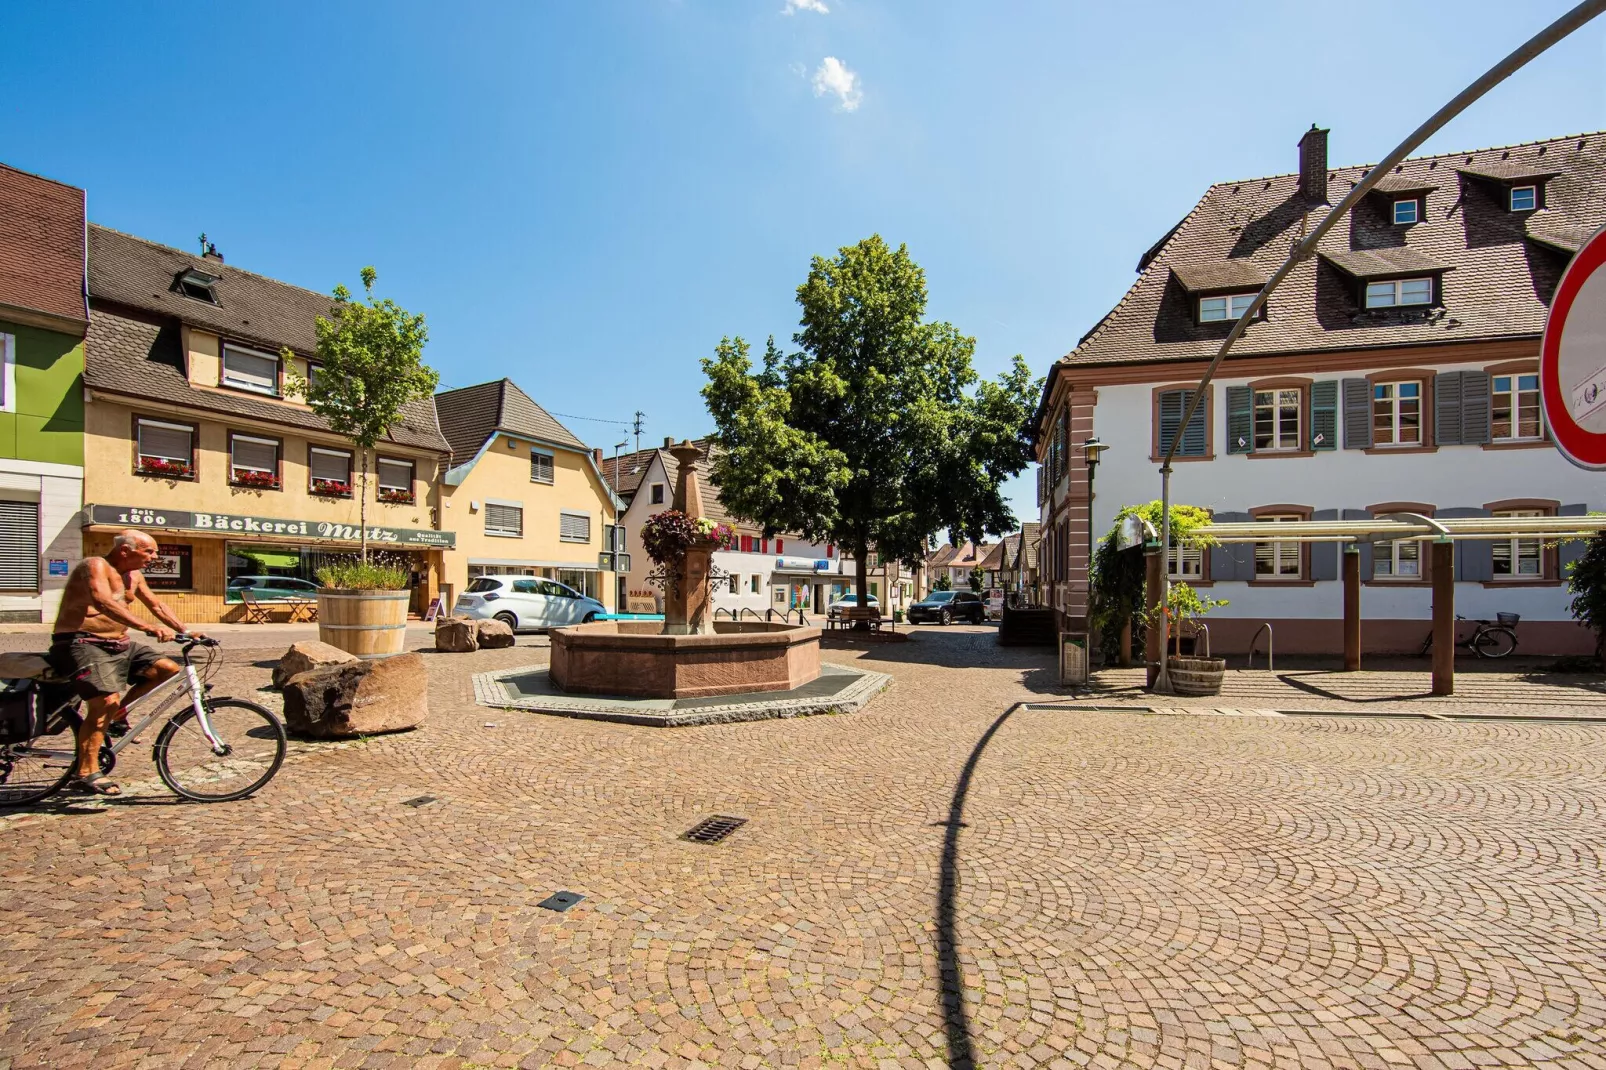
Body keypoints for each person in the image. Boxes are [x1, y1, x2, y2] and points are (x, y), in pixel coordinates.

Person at [49, 530, 205, 796]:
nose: (154, 557)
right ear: (125, 550)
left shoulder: (135, 575)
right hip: (82, 642)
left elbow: (156, 605)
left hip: (117, 643)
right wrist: (147, 627)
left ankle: (119, 715)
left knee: (166, 669)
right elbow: (102, 600)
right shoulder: (95, 566)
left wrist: (185, 630)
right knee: (104, 702)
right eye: (149, 552)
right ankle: (85, 772)